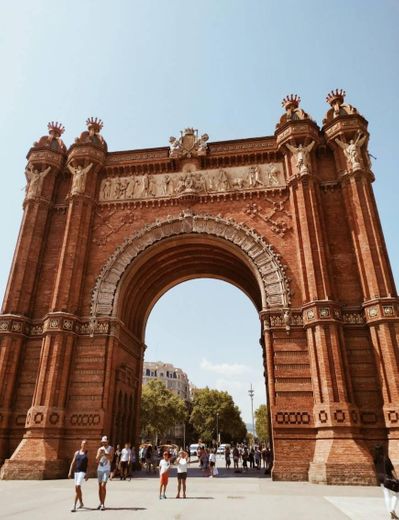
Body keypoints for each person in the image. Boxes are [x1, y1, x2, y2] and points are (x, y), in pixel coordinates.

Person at [375, 446, 399, 519]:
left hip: (380, 478)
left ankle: (390, 512)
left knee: (386, 495)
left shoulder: (375, 459)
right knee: (396, 494)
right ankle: (392, 510)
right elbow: (392, 470)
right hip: (388, 479)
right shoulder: (386, 459)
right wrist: (397, 479)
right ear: (383, 450)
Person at [68, 439, 88, 512]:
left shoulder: (87, 453)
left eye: (86, 444)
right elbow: (73, 462)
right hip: (76, 471)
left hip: (82, 472)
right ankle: (81, 502)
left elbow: (87, 465)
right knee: (77, 489)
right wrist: (70, 472)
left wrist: (87, 474)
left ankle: (74, 505)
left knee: (77, 486)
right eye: (83, 443)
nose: (84, 445)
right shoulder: (77, 453)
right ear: (81, 444)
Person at [96, 435, 114, 511]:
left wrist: (105, 454)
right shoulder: (100, 449)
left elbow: (111, 459)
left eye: (105, 441)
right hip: (99, 469)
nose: (104, 443)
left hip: (106, 469)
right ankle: (100, 503)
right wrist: (99, 454)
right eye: (103, 442)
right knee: (100, 486)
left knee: (103, 485)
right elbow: (96, 460)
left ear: (107, 441)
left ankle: (103, 503)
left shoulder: (111, 448)